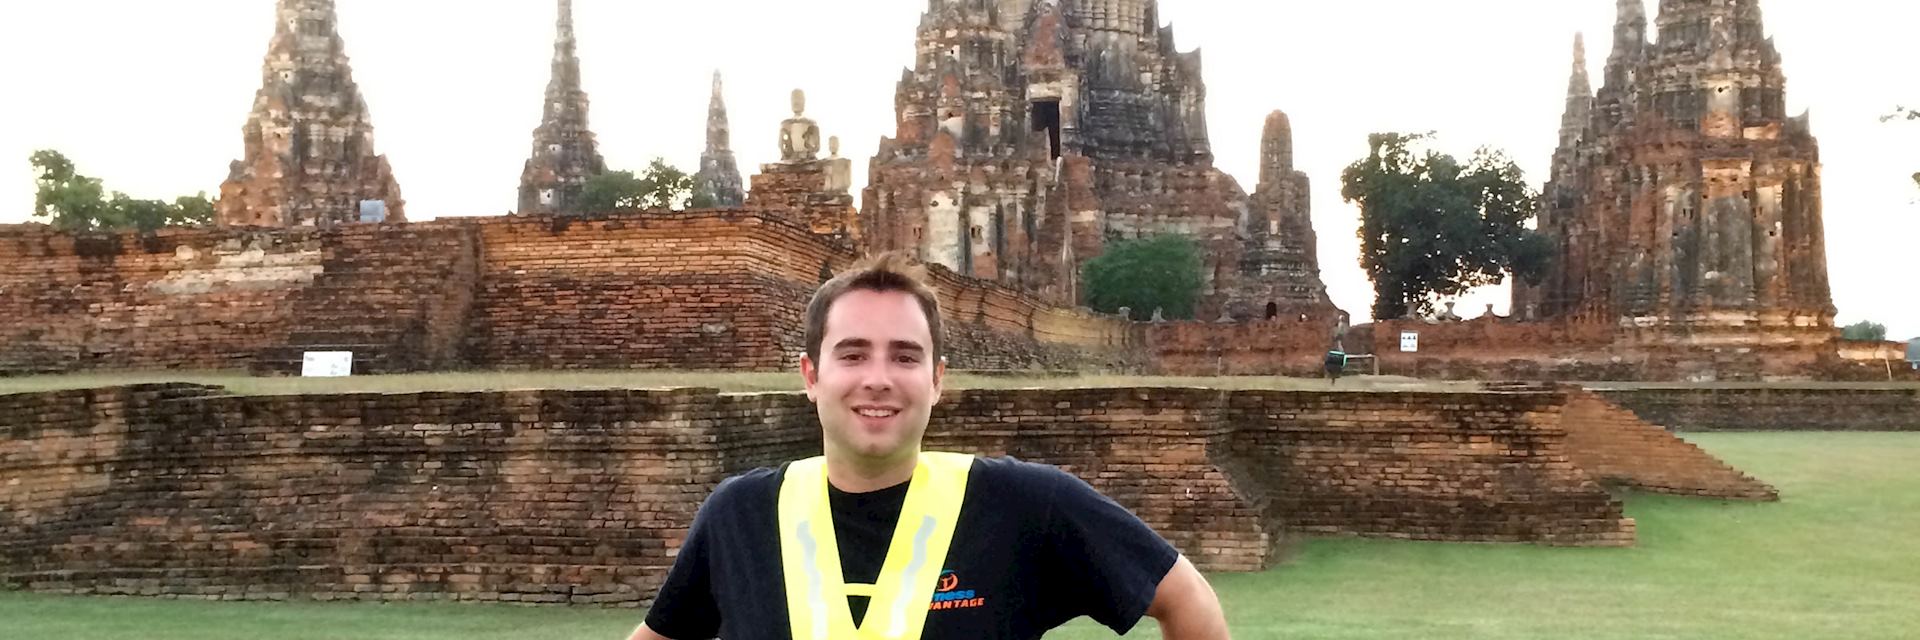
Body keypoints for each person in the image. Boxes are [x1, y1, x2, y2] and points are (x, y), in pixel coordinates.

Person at [628, 253, 1229, 640]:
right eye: (854, 353)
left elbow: (1187, 600)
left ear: (937, 380)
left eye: (906, 356)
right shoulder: (742, 515)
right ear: (810, 376)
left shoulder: (1023, 506)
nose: (880, 378)